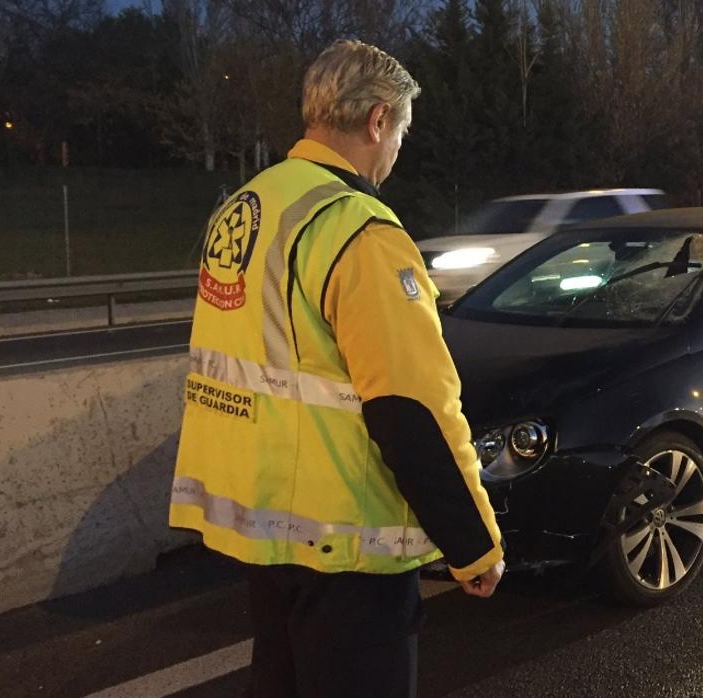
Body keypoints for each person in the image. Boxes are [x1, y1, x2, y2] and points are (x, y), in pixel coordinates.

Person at [169, 39, 505, 698]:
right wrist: (474, 543)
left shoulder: (248, 206)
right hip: (349, 543)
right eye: (400, 131)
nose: (396, 150)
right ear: (378, 120)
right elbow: (410, 407)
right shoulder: (360, 231)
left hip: (263, 529)